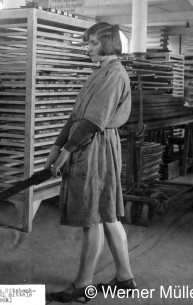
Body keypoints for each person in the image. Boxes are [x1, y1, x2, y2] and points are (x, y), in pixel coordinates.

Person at [44, 22, 136, 303]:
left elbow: (93, 121)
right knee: (105, 213)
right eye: (88, 43)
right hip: (86, 142)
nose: (87, 48)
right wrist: (56, 146)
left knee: (95, 217)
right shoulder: (99, 73)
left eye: (93, 43)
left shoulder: (114, 74)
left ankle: (83, 285)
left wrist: (67, 150)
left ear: (108, 44)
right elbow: (75, 117)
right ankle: (125, 278)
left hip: (95, 146)